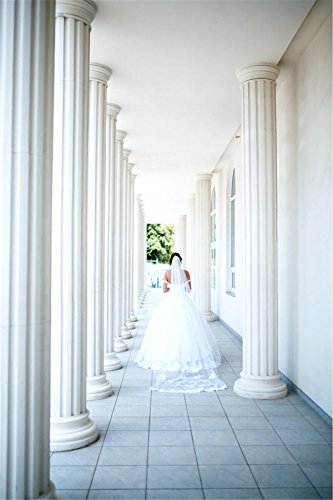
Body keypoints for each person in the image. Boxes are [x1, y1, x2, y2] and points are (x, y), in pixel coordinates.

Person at [135, 252, 227, 393]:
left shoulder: (167, 273)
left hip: (170, 303)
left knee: (168, 330)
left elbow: (165, 291)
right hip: (184, 303)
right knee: (189, 330)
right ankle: (191, 356)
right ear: (181, 262)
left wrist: (172, 286)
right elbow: (189, 290)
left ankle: (171, 357)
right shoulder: (187, 273)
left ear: (171, 262)